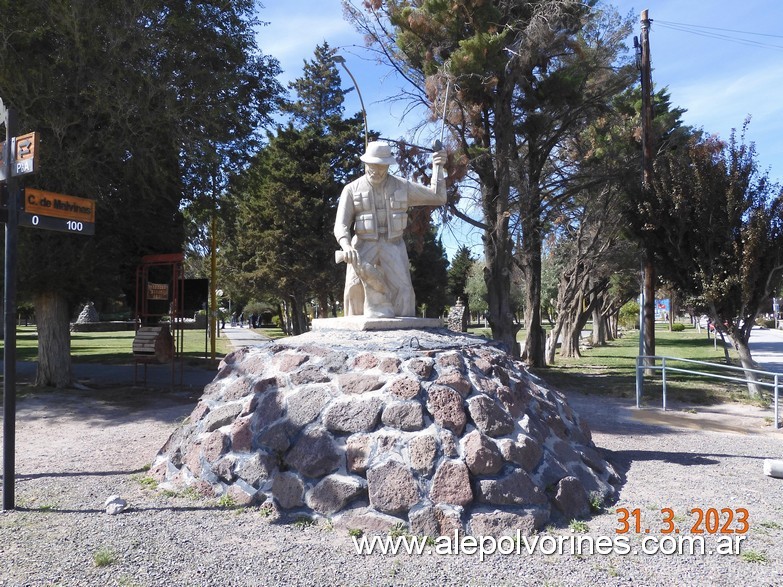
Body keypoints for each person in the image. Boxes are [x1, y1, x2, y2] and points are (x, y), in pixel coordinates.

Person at [334, 141, 447, 317]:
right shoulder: (351, 189)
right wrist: (346, 246)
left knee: (404, 290)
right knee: (353, 287)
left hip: (392, 244)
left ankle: (405, 332)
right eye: (374, 165)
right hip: (363, 244)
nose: (378, 170)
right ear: (366, 163)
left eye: (382, 166)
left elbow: (438, 197)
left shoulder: (402, 186)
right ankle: (354, 330)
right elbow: (341, 224)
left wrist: (438, 166)